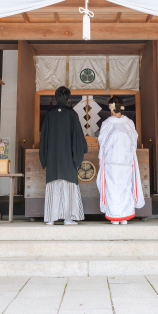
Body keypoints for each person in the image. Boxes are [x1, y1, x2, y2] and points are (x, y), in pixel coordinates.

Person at [39, 86, 88, 225]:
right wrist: (77, 156)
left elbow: (44, 138)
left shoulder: (50, 114)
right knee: (68, 186)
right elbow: (78, 138)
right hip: (67, 157)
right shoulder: (72, 114)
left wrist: (45, 157)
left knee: (53, 184)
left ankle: (50, 218)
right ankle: (68, 218)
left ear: (55, 97)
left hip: (53, 157)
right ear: (68, 99)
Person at [96, 96, 145, 224]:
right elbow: (133, 142)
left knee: (114, 188)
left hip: (112, 161)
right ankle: (124, 216)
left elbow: (102, 142)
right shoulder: (129, 123)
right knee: (125, 187)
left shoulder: (107, 124)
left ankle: (116, 216)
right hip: (125, 161)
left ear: (111, 109)